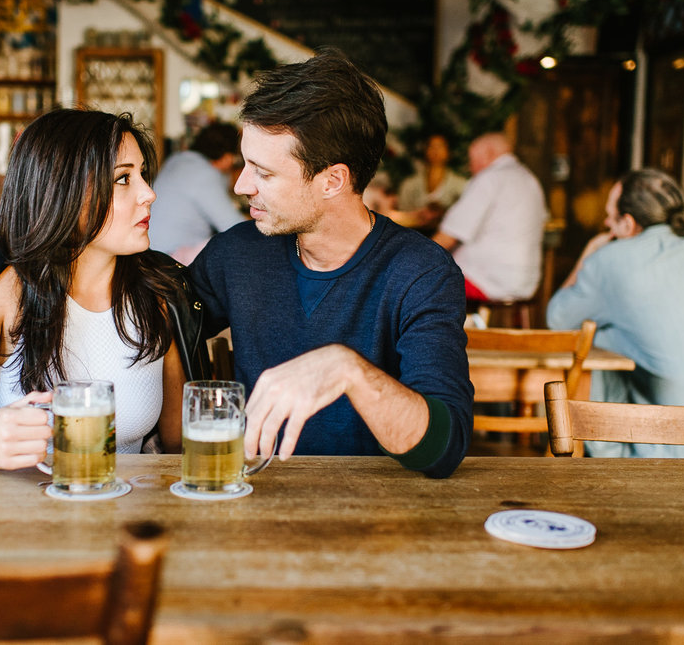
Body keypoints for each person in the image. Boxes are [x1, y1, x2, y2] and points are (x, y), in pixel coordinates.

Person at [188, 49, 473, 479]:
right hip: (254, 509)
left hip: (380, 520)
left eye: (263, 172)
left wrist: (347, 370)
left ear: (332, 181)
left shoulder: (421, 272)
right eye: (244, 163)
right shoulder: (237, 253)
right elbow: (154, 323)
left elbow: (442, 447)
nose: (242, 184)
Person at [0, 109, 211, 468]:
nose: (148, 193)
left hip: (125, 514)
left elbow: (179, 448)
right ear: (64, 191)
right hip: (23, 518)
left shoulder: (156, 296)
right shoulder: (14, 292)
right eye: (123, 179)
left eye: (143, 175)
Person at [546, 168, 684, 458]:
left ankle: (609, 459)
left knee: (597, 337)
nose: (605, 223)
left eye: (609, 216)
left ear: (627, 224)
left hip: (674, 450)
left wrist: (589, 253)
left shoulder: (611, 260)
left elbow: (558, 321)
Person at [433, 132, 547, 302]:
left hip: (487, 280)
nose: (470, 167)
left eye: (472, 160)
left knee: (419, 279)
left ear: (489, 153)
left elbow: (449, 236)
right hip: (526, 283)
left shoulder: (489, 177)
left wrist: (413, 260)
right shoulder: (530, 179)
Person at [147, 121, 245, 264]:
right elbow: (235, 227)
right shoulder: (205, 174)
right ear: (227, 157)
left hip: (151, 252)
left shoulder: (177, 159)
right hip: (171, 259)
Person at [387, 134, 467, 231]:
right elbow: (401, 214)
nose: (436, 151)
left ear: (449, 151)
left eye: (440, 146)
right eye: (432, 146)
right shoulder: (409, 183)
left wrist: (443, 212)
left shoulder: (461, 184)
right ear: (425, 151)